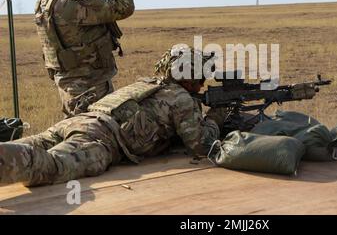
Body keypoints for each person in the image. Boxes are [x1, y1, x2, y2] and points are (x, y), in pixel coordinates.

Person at [0, 47, 225, 187]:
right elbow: (200, 145)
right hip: (101, 138)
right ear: (187, 78)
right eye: (199, 79)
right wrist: (217, 116)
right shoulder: (181, 98)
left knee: (25, 144)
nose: (202, 85)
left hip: (77, 121)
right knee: (53, 166)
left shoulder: (146, 84)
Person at [35, 0, 135, 117]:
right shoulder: (75, 2)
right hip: (89, 85)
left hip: (70, 82)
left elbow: (80, 11)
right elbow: (123, 6)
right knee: (96, 136)